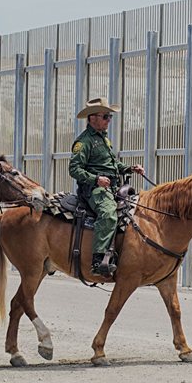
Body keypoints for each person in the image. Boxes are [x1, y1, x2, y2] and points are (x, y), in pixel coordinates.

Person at [68, 97, 145, 276]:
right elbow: (74, 169)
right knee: (108, 213)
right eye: (106, 116)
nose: (109, 120)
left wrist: (129, 168)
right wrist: (96, 179)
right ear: (92, 118)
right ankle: (98, 259)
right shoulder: (84, 142)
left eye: (109, 117)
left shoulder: (104, 140)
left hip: (111, 187)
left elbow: (112, 164)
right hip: (94, 189)